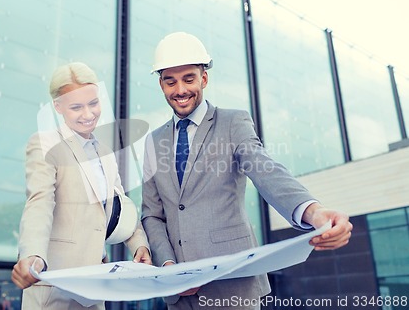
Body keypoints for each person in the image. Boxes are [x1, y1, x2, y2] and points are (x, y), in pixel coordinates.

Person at [141, 32, 353, 310]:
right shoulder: (153, 141)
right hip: (180, 293)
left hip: (233, 284)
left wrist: (313, 211)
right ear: (161, 84)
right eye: (171, 81)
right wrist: (169, 266)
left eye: (189, 79)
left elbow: (266, 170)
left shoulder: (232, 122)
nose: (180, 89)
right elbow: (152, 214)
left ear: (204, 79)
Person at [11, 62, 151, 310]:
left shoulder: (105, 151)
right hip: (54, 285)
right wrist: (32, 254)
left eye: (93, 103)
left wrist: (139, 244)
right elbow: (39, 201)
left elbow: (121, 205)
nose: (88, 114)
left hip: (94, 288)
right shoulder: (45, 143)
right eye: (76, 107)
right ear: (58, 106)